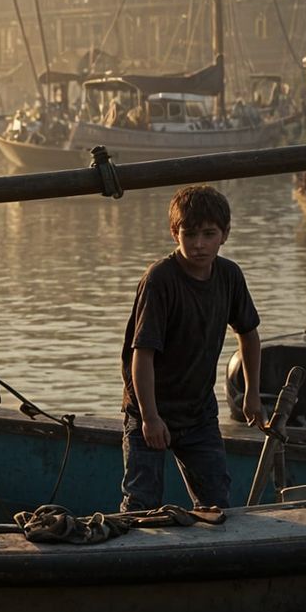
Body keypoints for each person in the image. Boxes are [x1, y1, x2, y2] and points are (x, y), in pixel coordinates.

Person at [119, 185, 262, 512]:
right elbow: (143, 355)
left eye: (209, 234)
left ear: (224, 234)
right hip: (150, 409)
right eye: (190, 234)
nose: (199, 244)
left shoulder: (229, 275)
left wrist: (253, 394)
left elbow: (249, 335)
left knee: (215, 503)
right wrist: (151, 418)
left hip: (198, 412)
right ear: (175, 233)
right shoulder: (160, 280)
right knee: (142, 504)